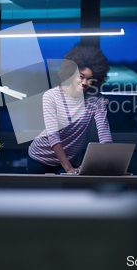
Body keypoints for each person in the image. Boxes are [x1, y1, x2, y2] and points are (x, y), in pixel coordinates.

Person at [27, 44, 112, 174]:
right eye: (81, 76)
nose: (84, 82)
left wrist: (114, 168)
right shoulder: (51, 96)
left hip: (72, 161)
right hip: (40, 158)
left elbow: (104, 136)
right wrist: (68, 169)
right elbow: (53, 136)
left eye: (90, 79)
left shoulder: (97, 100)